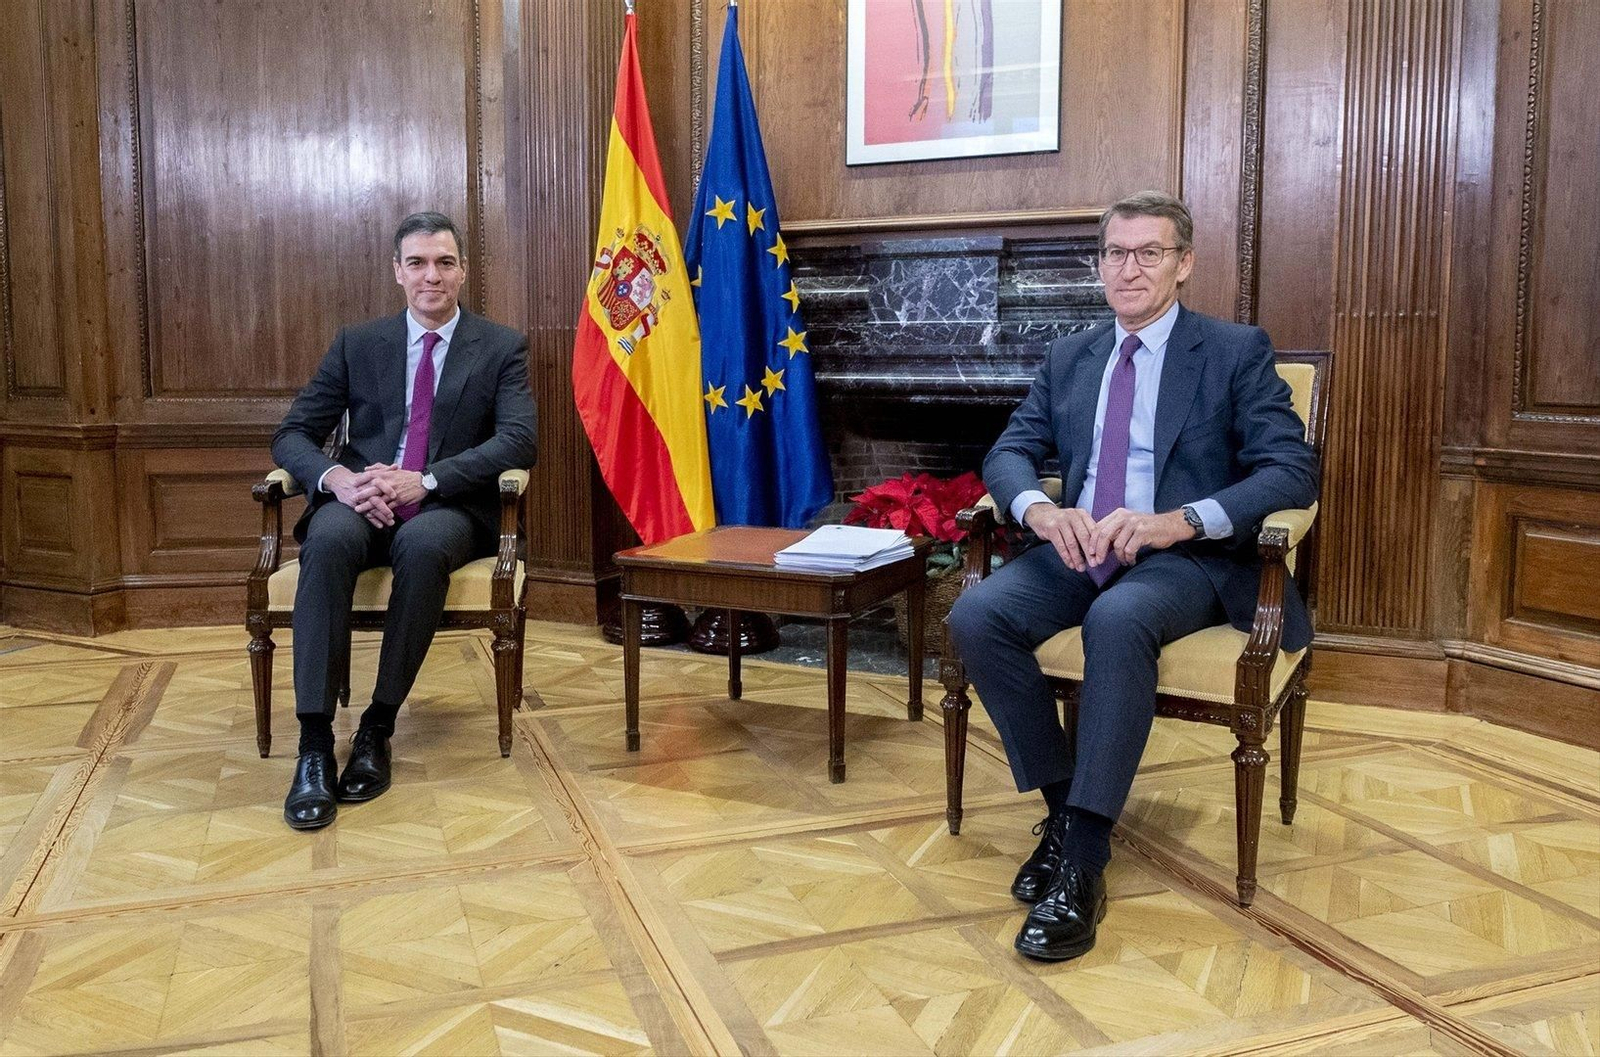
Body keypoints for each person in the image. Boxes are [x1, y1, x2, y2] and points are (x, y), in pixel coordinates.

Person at [946, 191, 1317, 961]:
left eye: (1150, 253)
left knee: (1117, 623)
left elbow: (1292, 468)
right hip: (1081, 547)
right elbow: (1009, 450)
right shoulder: (1072, 355)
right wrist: (1042, 514)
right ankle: (1066, 814)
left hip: (1185, 557)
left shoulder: (1233, 350)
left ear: (1184, 264)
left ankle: (1082, 866)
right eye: (1116, 253)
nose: (1130, 268)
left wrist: (1177, 520)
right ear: (1099, 264)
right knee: (977, 614)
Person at [271, 211, 537, 831]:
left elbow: (520, 441)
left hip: (446, 506)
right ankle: (313, 746)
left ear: (463, 271)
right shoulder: (358, 343)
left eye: (444, 262)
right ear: (397, 272)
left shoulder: (500, 347)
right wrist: (338, 480)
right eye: (417, 263)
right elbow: (292, 434)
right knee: (330, 539)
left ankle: (376, 728)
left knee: (421, 546)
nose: (431, 276)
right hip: (362, 499)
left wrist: (427, 479)